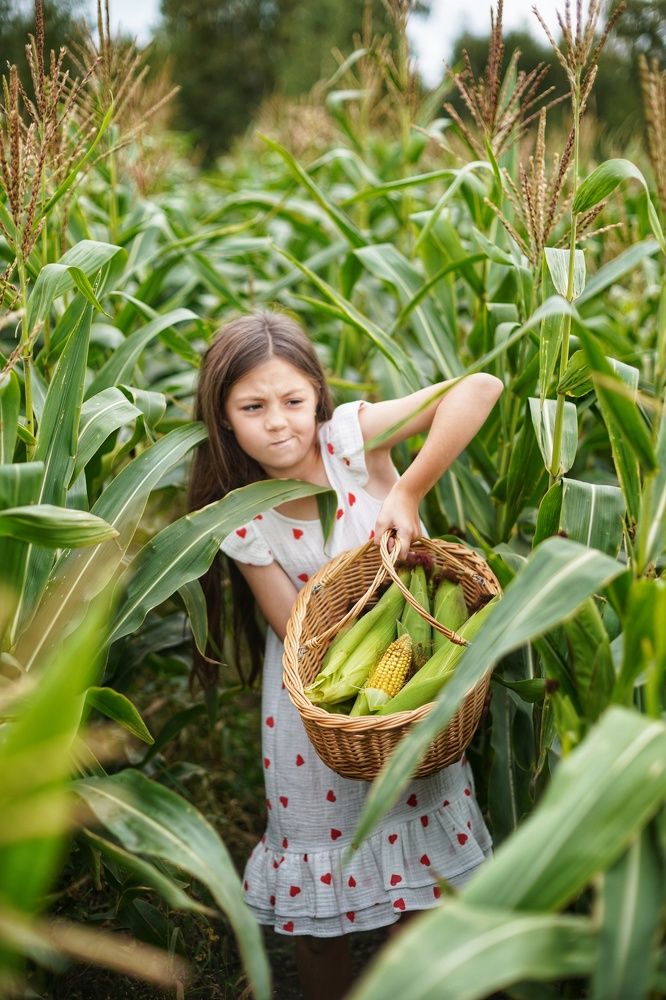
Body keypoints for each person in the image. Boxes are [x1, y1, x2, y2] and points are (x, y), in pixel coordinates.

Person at [188, 310, 503, 999]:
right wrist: (349, 689)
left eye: (293, 400)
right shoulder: (243, 513)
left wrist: (411, 491)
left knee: (421, 890)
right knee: (317, 913)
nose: (278, 422)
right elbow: (295, 633)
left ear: (318, 398)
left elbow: (479, 387)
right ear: (224, 418)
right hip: (314, 723)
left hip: (414, 693)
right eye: (253, 407)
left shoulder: (351, 442)